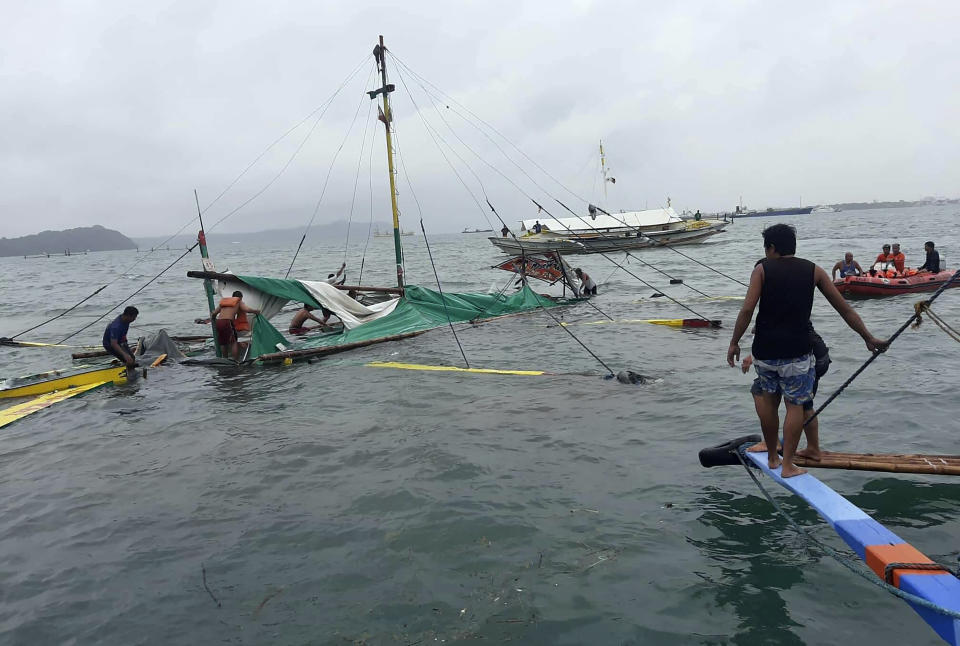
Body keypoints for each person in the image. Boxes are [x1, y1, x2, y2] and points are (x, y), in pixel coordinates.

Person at [727, 224, 886, 478]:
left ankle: (771, 457)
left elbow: (747, 310)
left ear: (771, 248)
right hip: (797, 352)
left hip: (765, 352)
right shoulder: (814, 271)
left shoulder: (761, 270)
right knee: (795, 406)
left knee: (768, 400)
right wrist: (867, 337)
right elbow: (844, 309)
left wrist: (734, 342)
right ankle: (788, 464)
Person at [742, 323, 831, 462]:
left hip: (802, 356)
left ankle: (772, 442)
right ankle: (813, 449)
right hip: (818, 353)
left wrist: (749, 352)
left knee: (759, 391)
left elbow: (764, 331)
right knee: (804, 404)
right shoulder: (797, 304)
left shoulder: (774, 310)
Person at [210, 291, 260, 360]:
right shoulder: (238, 301)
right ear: (240, 297)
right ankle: (236, 360)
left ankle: (225, 359)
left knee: (223, 342)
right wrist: (256, 311)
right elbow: (246, 309)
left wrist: (213, 318)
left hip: (219, 322)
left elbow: (214, 313)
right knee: (233, 342)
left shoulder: (225, 302)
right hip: (227, 322)